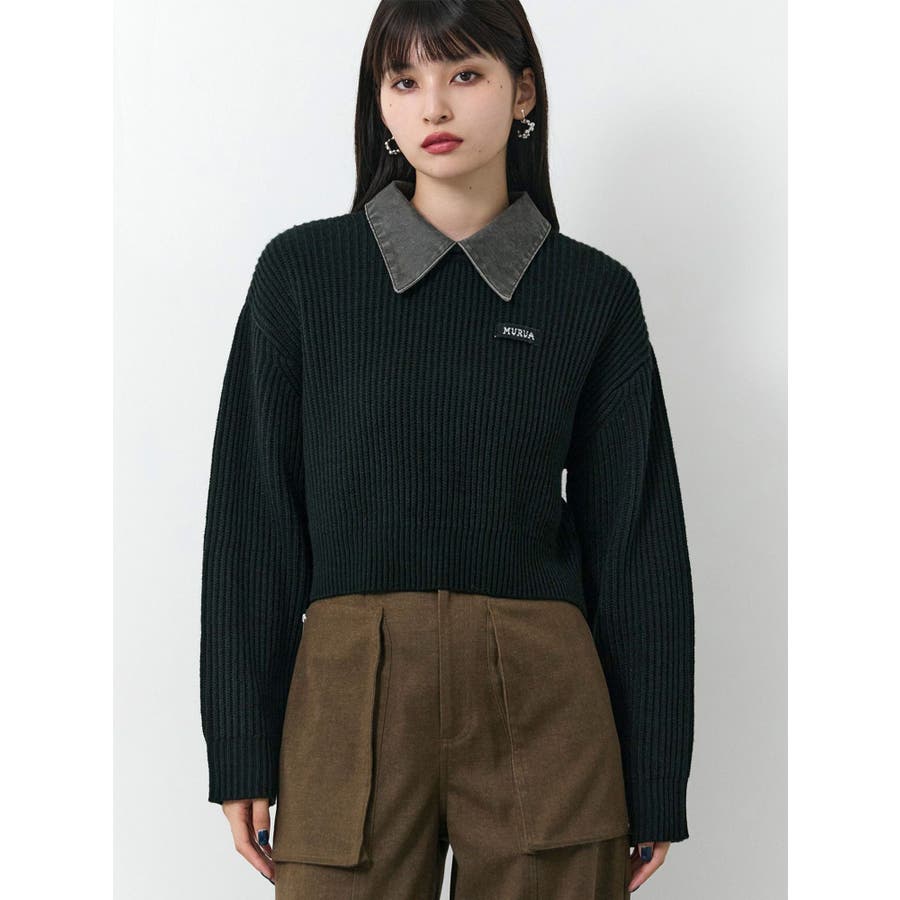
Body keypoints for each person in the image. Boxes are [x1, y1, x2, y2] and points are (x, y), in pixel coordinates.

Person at [199, 1, 695, 897]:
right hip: (346, 692)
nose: (433, 106)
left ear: (522, 92)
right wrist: (241, 747)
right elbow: (253, 521)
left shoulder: (592, 293)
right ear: (380, 104)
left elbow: (637, 543)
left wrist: (656, 780)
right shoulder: (304, 277)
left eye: (465, 74)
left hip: (546, 700)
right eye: (405, 80)